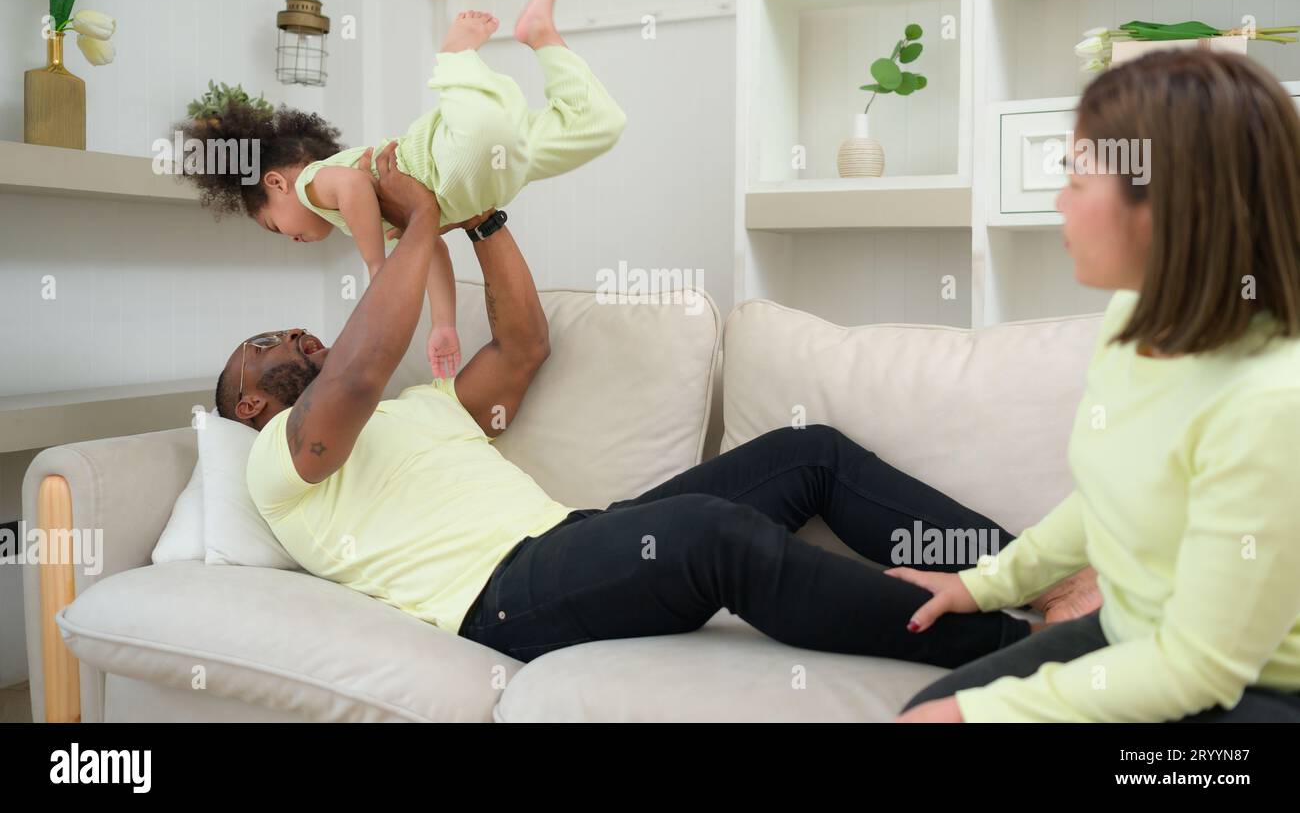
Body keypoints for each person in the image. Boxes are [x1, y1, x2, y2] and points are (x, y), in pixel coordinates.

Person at [222, 142, 1094, 672]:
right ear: (251, 400)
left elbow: (524, 345)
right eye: (264, 342)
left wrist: (481, 220)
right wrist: (414, 224)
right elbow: (358, 370)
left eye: (298, 329)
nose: (296, 336)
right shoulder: (279, 463)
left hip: (582, 535)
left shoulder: (420, 407)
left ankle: (1050, 580)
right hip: (503, 599)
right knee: (712, 535)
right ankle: (1025, 658)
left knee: (808, 450)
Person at [893, 49, 1300, 722]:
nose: (1060, 201)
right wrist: (981, 585)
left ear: (1165, 206)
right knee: (931, 708)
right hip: (1135, 636)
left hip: (1256, 691)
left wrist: (985, 716)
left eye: (1077, 181)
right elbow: (1107, 496)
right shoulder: (1131, 318)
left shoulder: (1271, 401)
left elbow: (1198, 666)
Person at [181, 0, 624, 378]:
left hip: (448, 158)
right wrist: (443, 323)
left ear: (277, 182)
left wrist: (377, 268)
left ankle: (454, 56)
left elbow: (355, 184)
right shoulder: (358, 220)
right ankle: (543, 37)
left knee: (484, 130)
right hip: (486, 181)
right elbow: (429, 245)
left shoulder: (313, 185)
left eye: (275, 227)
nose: (292, 238)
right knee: (599, 126)